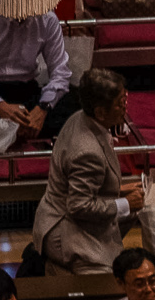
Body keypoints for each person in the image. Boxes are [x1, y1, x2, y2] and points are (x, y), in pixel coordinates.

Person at [30, 68, 143, 277]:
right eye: (120, 103)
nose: (125, 108)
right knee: (106, 279)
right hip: (65, 227)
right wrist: (125, 203)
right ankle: (55, 268)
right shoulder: (87, 151)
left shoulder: (81, 117)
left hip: (64, 211)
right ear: (100, 112)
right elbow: (79, 205)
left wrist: (118, 190)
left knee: (135, 211)